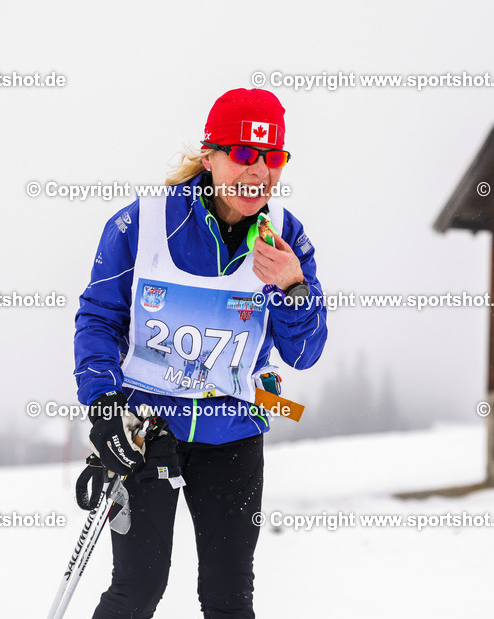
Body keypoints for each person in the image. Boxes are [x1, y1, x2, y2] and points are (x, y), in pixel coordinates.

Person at [74, 88, 328, 619]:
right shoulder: (139, 224)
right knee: (137, 590)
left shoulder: (285, 236)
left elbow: (303, 354)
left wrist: (292, 286)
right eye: (243, 154)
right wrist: (103, 408)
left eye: (272, 158)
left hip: (233, 434)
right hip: (147, 432)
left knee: (229, 599)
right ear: (210, 155)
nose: (258, 172)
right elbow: (99, 320)